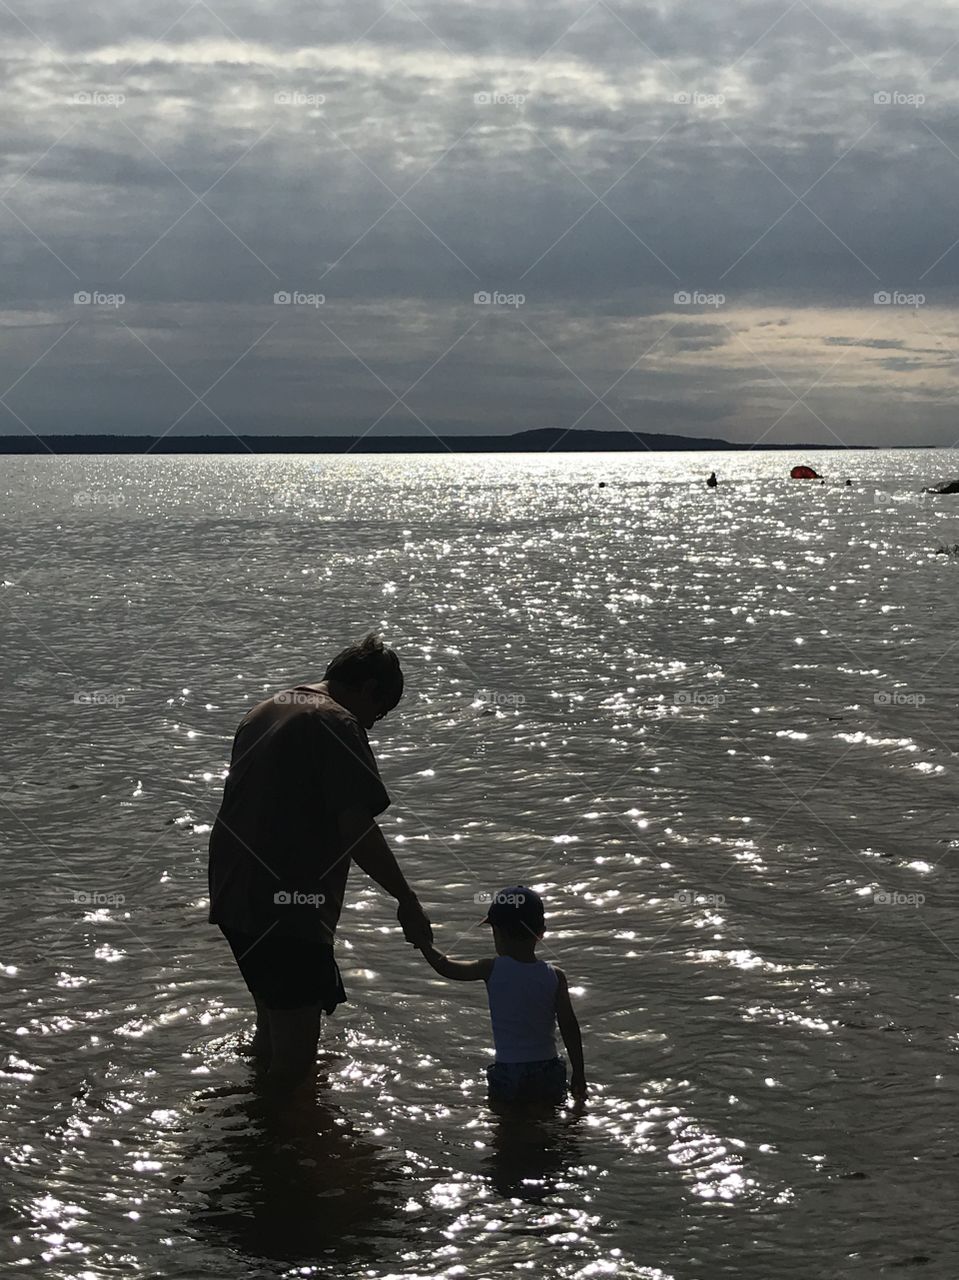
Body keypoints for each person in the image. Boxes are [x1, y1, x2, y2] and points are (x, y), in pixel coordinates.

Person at [208, 634, 432, 1085]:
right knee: (296, 1068)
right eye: (379, 713)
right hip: (287, 907)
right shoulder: (337, 723)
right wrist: (405, 897)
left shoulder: (269, 707)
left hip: (234, 892)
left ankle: (250, 1131)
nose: (371, 725)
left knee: (270, 1026)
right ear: (368, 688)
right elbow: (357, 828)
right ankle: (284, 1146)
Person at [417, 886, 586, 1105]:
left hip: (509, 1072)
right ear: (541, 933)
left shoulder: (491, 969)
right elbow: (570, 1027)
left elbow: (447, 968)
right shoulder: (555, 976)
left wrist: (424, 944)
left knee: (506, 1130)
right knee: (548, 1125)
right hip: (548, 1069)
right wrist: (579, 1074)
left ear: (498, 933)